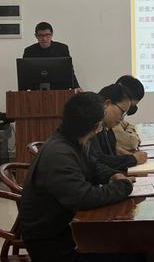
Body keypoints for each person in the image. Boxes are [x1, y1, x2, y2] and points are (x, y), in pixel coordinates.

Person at [19, 92, 133, 262]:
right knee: (133, 251)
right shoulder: (59, 154)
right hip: (56, 247)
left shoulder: (71, 140)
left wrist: (113, 174)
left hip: (68, 232)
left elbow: (93, 166)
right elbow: (84, 197)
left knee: (131, 246)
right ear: (96, 126)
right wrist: (123, 186)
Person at [87, 84, 147, 170]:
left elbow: (113, 150)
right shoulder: (91, 126)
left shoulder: (106, 126)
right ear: (107, 104)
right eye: (122, 112)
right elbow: (98, 160)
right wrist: (133, 159)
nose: (122, 118)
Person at [23, 21, 80, 88]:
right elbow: (25, 74)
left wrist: (76, 87)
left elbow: (69, 71)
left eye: (47, 35)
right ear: (36, 36)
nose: (44, 38)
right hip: (36, 88)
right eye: (40, 35)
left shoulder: (62, 49)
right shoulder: (29, 51)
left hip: (59, 87)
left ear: (52, 34)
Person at [112, 75, 145, 151]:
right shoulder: (110, 118)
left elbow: (129, 125)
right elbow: (131, 143)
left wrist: (129, 132)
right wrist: (133, 135)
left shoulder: (117, 114)